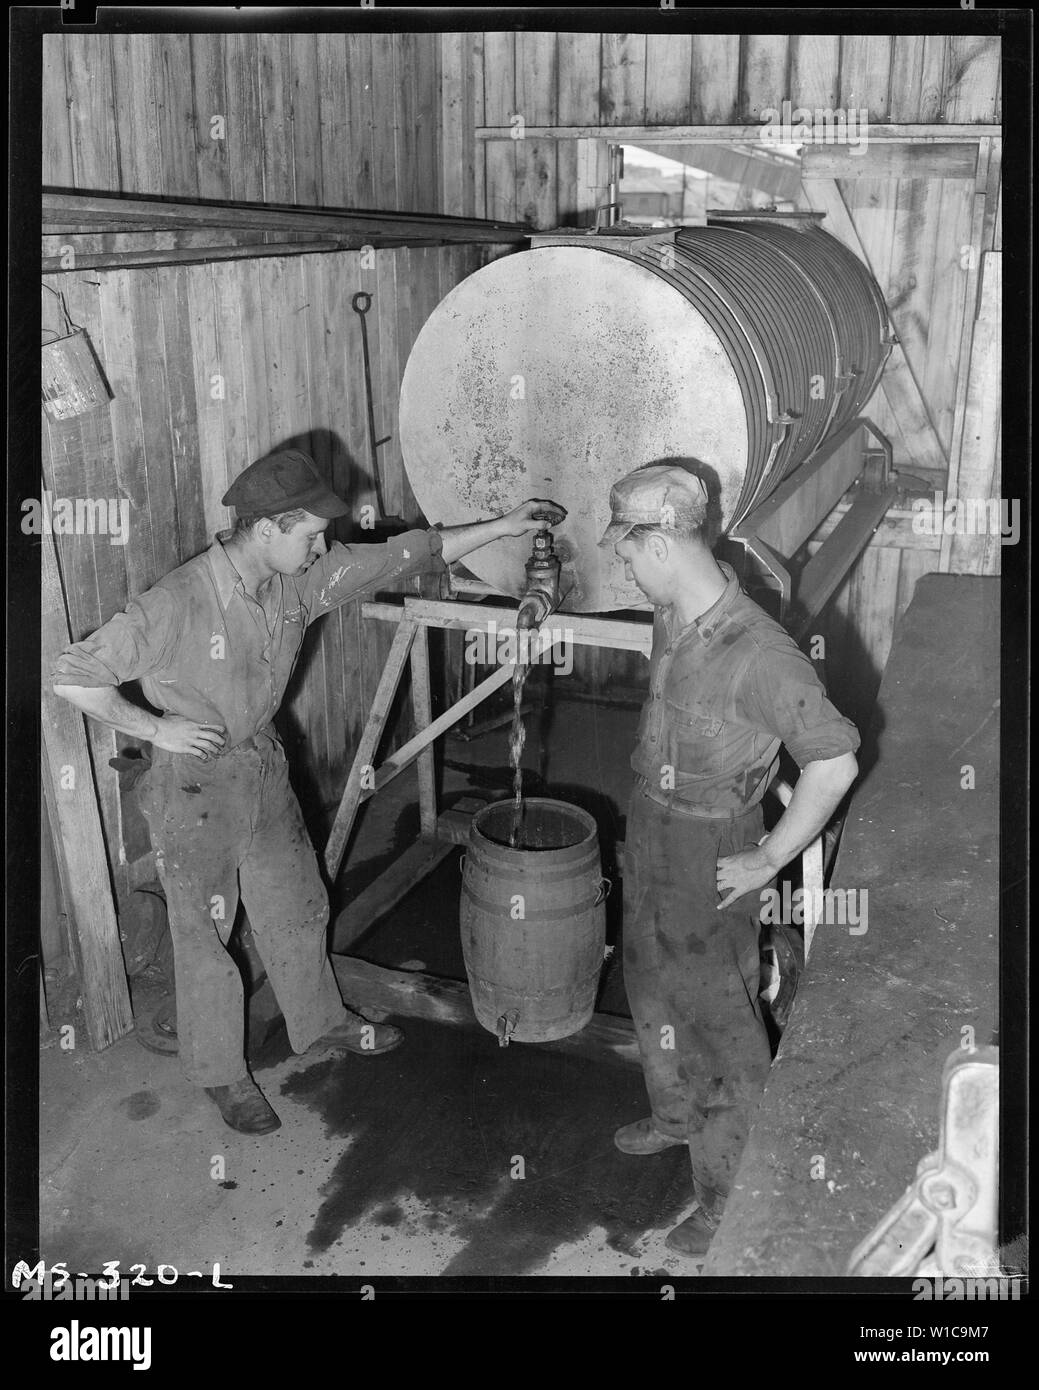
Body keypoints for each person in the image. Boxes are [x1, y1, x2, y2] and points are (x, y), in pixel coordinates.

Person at [53, 447, 563, 1135]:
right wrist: (154, 727)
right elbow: (73, 674)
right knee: (205, 934)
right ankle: (222, 1075)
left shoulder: (294, 582)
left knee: (297, 905)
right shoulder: (178, 600)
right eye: (310, 535)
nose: (321, 546)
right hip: (194, 787)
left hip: (261, 766)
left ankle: (319, 1022)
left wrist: (501, 527)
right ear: (267, 529)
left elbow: (403, 555)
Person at [600, 462, 859, 1257]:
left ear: (664, 542)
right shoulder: (674, 610)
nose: (618, 563)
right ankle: (673, 1113)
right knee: (646, 975)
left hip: (711, 843)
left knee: (719, 1025)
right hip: (651, 823)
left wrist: (769, 855)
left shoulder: (761, 654)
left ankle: (723, 1193)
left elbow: (834, 762)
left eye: (625, 549)